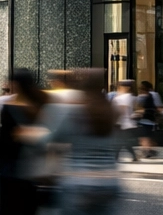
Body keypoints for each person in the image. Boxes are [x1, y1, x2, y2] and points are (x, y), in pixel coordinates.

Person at [37, 69, 119, 215]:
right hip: (109, 180)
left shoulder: (75, 112)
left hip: (79, 181)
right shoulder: (111, 111)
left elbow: (54, 138)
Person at [0, 70, 46, 215]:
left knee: (9, 207)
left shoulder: (9, 107)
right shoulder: (39, 105)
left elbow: (4, 139)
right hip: (33, 167)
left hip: (12, 165)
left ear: (16, 84)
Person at [137, 81, 162, 158]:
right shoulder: (154, 95)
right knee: (147, 136)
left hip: (144, 119)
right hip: (151, 119)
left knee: (144, 136)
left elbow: (140, 108)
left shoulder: (140, 97)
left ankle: (147, 151)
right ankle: (148, 150)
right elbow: (158, 107)